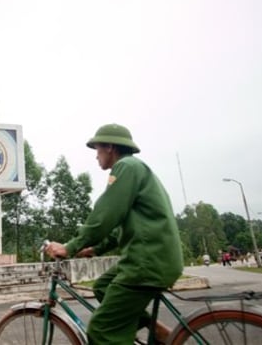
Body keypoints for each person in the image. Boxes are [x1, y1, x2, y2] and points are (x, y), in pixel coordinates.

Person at [45, 123, 183, 344]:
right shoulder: (134, 168)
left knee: (101, 331)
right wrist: (95, 248)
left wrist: (70, 246)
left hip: (146, 261)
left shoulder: (126, 167)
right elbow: (118, 223)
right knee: (102, 287)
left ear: (110, 147)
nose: (96, 155)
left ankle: (136, 331)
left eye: (97, 149)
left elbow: (105, 215)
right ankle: (153, 328)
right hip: (154, 257)